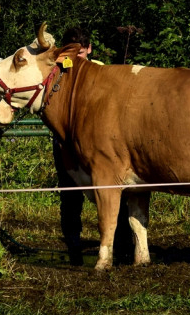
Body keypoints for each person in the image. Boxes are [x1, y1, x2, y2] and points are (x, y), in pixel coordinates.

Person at [53, 25, 133, 264]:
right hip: (66, 143)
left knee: (116, 191)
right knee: (70, 194)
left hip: (101, 145)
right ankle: (73, 244)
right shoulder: (56, 72)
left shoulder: (102, 71)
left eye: (80, 51)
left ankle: (123, 246)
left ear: (88, 49)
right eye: (71, 51)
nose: (77, 56)